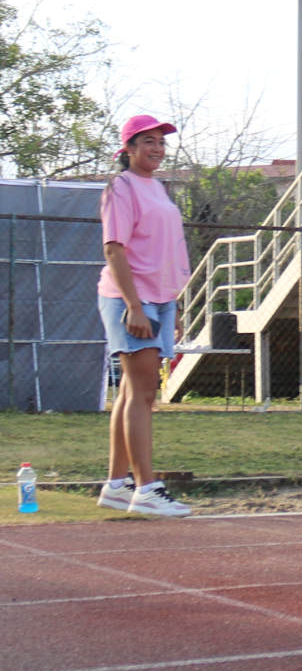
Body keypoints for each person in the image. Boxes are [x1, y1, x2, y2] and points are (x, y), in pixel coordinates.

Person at [95, 115, 193, 518]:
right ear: (129, 148)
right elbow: (114, 248)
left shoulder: (158, 188)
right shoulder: (121, 186)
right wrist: (134, 306)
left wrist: (175, 305)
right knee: (144, 393)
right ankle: (146, 488)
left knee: (132, 393)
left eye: (160, 142)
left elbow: (167, 249)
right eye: (147, 141)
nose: (156, 148)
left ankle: (117, 485)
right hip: (131, 298)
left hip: (160, 299)